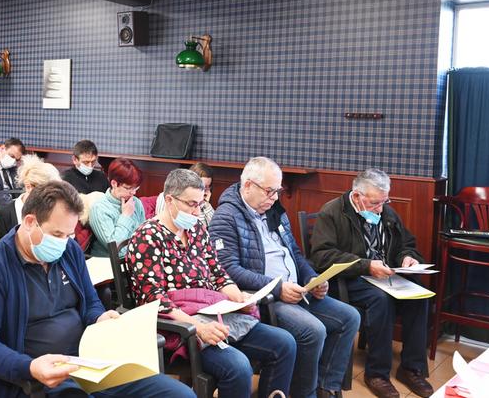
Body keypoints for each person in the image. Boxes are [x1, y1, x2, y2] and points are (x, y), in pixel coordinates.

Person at [0, 180, 195, 398]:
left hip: (89, 362)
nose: (63, 242)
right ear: (30, 221)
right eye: (56, 234)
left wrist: (100, 317)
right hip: (38, 376)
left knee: (180, 394)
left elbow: (90, 303)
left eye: (69, 234)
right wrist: (30, 367)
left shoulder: (69, 250)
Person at [127, 169, 296, 398]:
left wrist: (237, 297)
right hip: (178, 326)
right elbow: (153, 299)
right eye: (191, 204)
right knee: (238, 367)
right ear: (169, 200)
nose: (197, 211)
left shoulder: (196, 229)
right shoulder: (147, 237)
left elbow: (217, 272)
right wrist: (198, 328)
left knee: (284, 343)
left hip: (213, 313)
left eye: (200, 203)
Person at [210, 157, 360, 398]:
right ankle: (304, 394)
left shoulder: (274, 210)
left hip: (297, 289)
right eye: (269, 191)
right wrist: (278, 288)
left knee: (350, 317)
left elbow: (296, 254)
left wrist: (313, 278)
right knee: (313, 330)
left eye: (277, 191)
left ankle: (326, 387)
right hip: (266, 298)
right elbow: (228, 269)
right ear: (248, 185)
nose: (275, 197)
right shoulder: (226, 216)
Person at [310, 168, 432, 398]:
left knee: (420, 294)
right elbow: (321, 256)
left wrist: (408, 257)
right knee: (381, 299)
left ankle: (411, 368)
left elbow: (407, 243)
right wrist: (366, 265)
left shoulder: (387, 212)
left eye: (384, 202)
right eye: (375, 203)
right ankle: (377, 374)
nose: (380, 208)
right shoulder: (333, 212)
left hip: (384, 275)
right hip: (349, 279)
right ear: (357, 196)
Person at [88, 158, 145, 257]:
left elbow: (143, 236)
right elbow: (115, 248)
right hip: (109, 263)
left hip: (135, 259)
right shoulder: (99, 208)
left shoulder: (136, 202)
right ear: (114, 183)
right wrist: (126, 216)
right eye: (128, 188)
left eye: (136, 188)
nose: (133, 192)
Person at [0, 154, 61, 237]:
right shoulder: (4, 216)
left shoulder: (56, 210)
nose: (50, 197)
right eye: (46, 192)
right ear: (28, 187)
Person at [156, 162, 215, 228]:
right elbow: (194, 225)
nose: (204, 191)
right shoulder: (165, 197)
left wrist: (205, 203)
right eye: (202, 186)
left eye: (207, 187)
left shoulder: (203, 201)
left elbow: (214, 225)